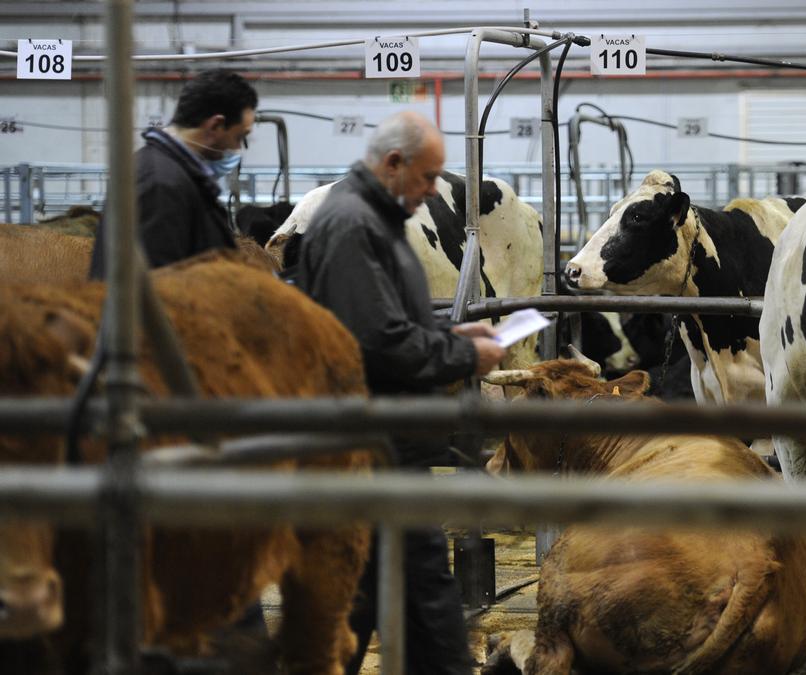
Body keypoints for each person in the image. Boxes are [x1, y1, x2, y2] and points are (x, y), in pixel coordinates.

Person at [295, 111, 506, 675]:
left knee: (372, 604)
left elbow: (387, 322)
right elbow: (376, 341)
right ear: (393, 164)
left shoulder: (372, 220)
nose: (435, 190)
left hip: (385, 450)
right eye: (428, 177)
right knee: (423, 606)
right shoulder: (353, 225)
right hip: (373, 451)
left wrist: (448, 334)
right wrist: (464, 356)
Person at [89, 68, 258, 277]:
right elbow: (160, 290)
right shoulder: (161, 184)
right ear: (215, 126)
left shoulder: (166, 171)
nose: (237, 147)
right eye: (239, 136)